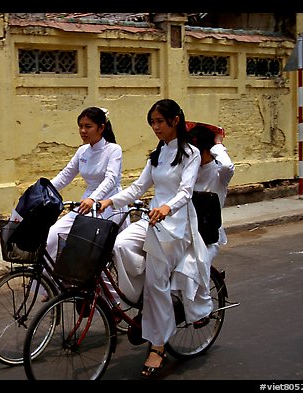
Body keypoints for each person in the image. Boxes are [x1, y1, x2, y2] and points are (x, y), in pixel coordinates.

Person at [98, 98, 204, 378]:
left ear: (175, 120)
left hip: (176, 225)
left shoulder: (190, 152)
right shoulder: (158, 153)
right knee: (121, 244)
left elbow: (186, 191)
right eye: (152, 123)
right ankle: (146, 300)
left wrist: (168, 207)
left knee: (157, 280)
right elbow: (137, 187)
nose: (155, 127)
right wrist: (110, 201)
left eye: (159, 121)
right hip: (151, 219)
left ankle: (158, 346)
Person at [170, 123, 235, 326]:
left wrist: (217, 143)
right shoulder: (188, 171)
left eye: (199, 152)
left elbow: (227, 166)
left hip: (207, 237)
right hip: (181, 232)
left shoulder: (218, 175)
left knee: (187, 270)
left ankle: (201, 310)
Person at [45, 106, 129, 261]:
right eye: (80, 126)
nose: (83, 131)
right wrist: (42, 190)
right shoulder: (82, 151)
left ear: (101, 127)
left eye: (88, 126)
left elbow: (110, 179)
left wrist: (93, 199)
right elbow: (65, 176)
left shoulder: (113, 150)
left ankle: (101, 285)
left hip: (109, 203)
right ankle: (49, 283)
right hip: (87, 203)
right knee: (53, 234)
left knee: (91, 249)